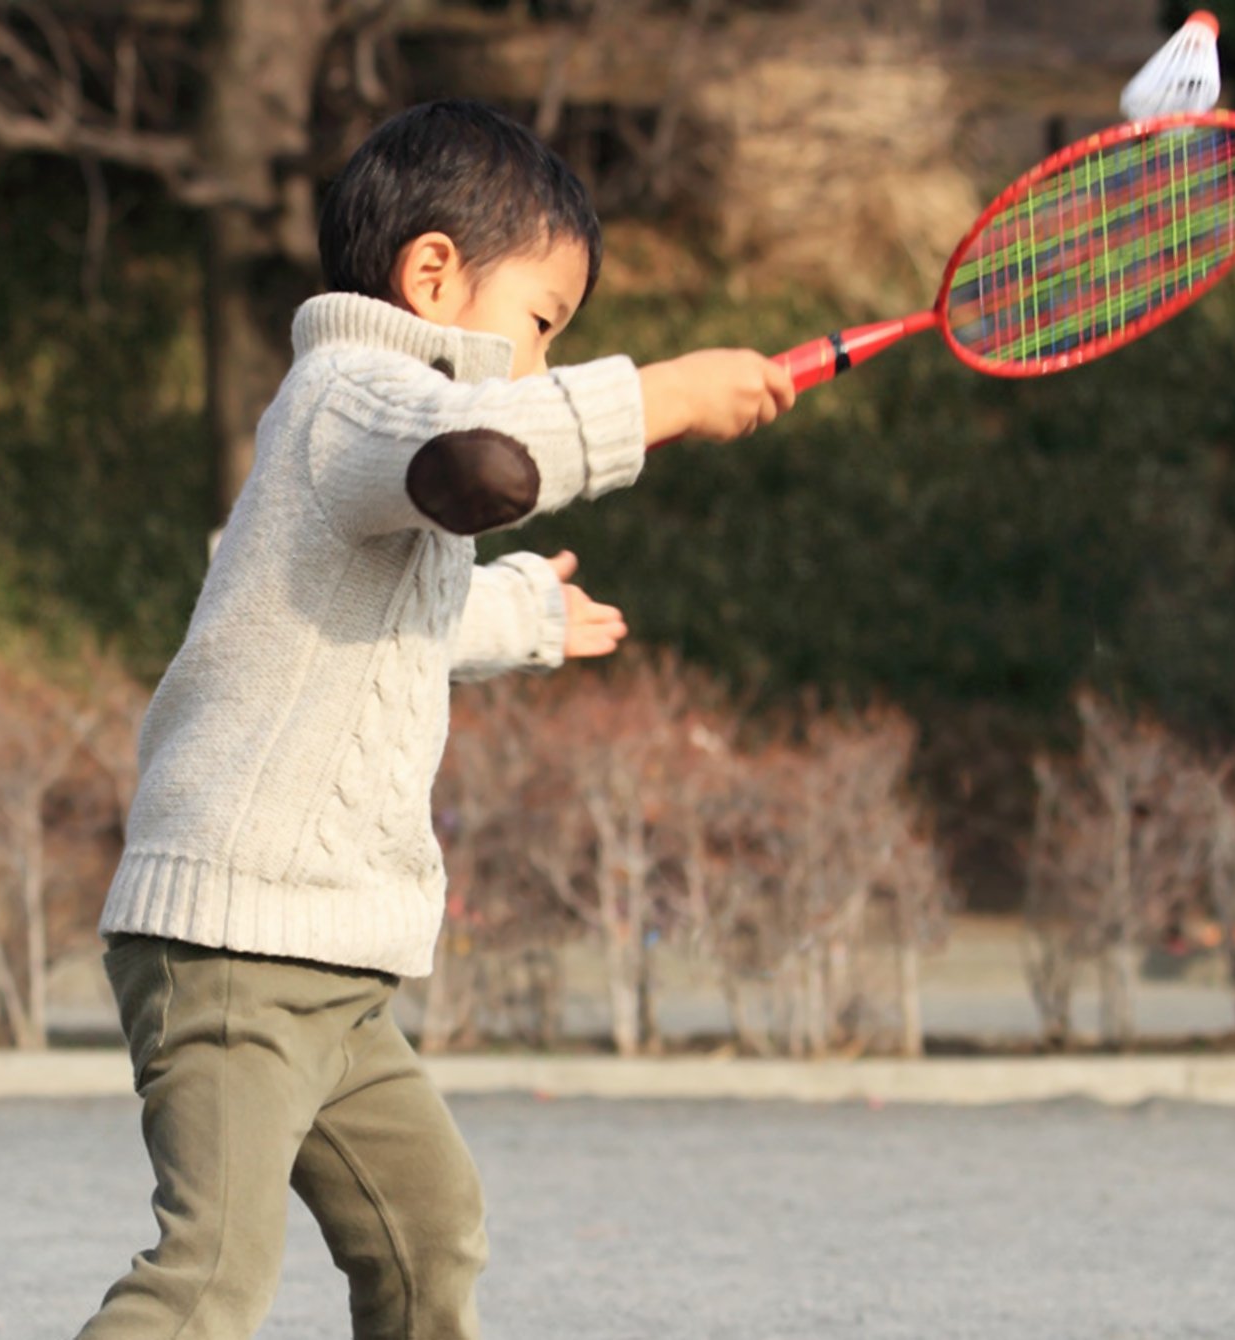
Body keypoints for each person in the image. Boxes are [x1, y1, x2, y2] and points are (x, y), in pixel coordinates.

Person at [77, 98, 795, 1340]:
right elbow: (482, 461)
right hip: (238, 948)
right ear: (430, 274)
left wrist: (521, 613)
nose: (538, 355)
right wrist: (667, 393)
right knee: (207, 1277)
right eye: (538, 322)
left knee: (427, 1229)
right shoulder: (350, 396)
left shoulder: (379, 452)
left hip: (333, 970)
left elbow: (398, 620)